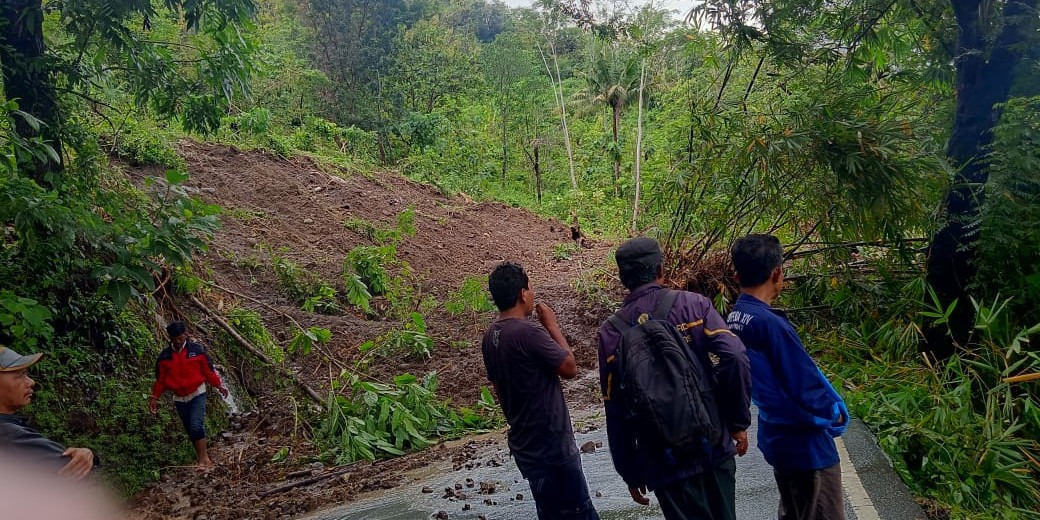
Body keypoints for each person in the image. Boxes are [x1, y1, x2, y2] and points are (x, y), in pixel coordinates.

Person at [598, 237, 751, 520]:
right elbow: (735, 357)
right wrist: (737, 421)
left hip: (662, 461)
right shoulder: (693, 306)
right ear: (660, 270)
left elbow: (616, 409)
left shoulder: (611, 334)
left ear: (623, 279)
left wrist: (629, 471)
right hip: (712, 443)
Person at [727, 234, 849, 520]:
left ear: (736, 274)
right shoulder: (771, 325)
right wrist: (834, 414)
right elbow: (804, 385)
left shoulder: (736, 317)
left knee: (794, 510)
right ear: (777, 272)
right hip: (807, 447)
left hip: (778, 438)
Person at [481, 262, 600, 520]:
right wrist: (552, 325)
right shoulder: (528, 331)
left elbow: (498, 390)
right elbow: (569, 368)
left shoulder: (490, 336)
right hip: (553, 447)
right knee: (580, 512)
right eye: (530, 288)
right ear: (523, 294)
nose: (532, 294)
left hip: (527, 448)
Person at [0, 346, 98, 478]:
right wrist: (88, 456)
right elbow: (75, 467)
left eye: (26, 373)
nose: (31, 382)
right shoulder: (10, 436)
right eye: (19, 376)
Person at [149, 321, 228, 468]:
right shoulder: (164, 358)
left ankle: (204, 460)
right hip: (179, 398)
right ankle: (201, 458)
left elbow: (209, 372)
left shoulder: (197, 351)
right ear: (170, 338)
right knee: (190, 429)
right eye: (174, 339)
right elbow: (161, 381)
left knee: (196, 425)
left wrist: (219, 386)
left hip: (198, 393)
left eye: (180, 338)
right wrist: (154, 398)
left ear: (186, 335)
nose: (178, 342)